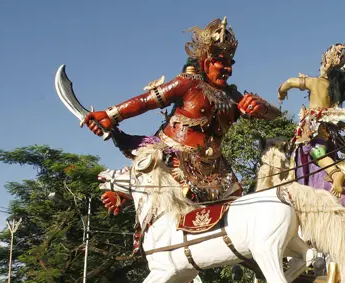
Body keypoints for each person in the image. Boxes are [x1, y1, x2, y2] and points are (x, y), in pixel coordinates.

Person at [83, 17, 280, 207]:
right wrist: (110, 115)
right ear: (205, 62)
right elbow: (145, 102)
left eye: (230, 63)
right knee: (160, 200)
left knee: (240, 210)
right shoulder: (188, 83)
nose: (228, 69)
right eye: (221, 61)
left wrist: (262, 108)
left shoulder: (233, 97)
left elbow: (275, 116)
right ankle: (124, 193)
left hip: (216, 169)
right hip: (173, 159)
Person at [278, 42, 345, 206]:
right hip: (330, 129)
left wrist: (281, 93)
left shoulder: (316, 82)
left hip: (314, 126)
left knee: (315, 151)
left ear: (325, 64)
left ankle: (334, 173)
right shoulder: (335, 89)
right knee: (321, 153)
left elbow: (290, 82)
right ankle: (330, 173)